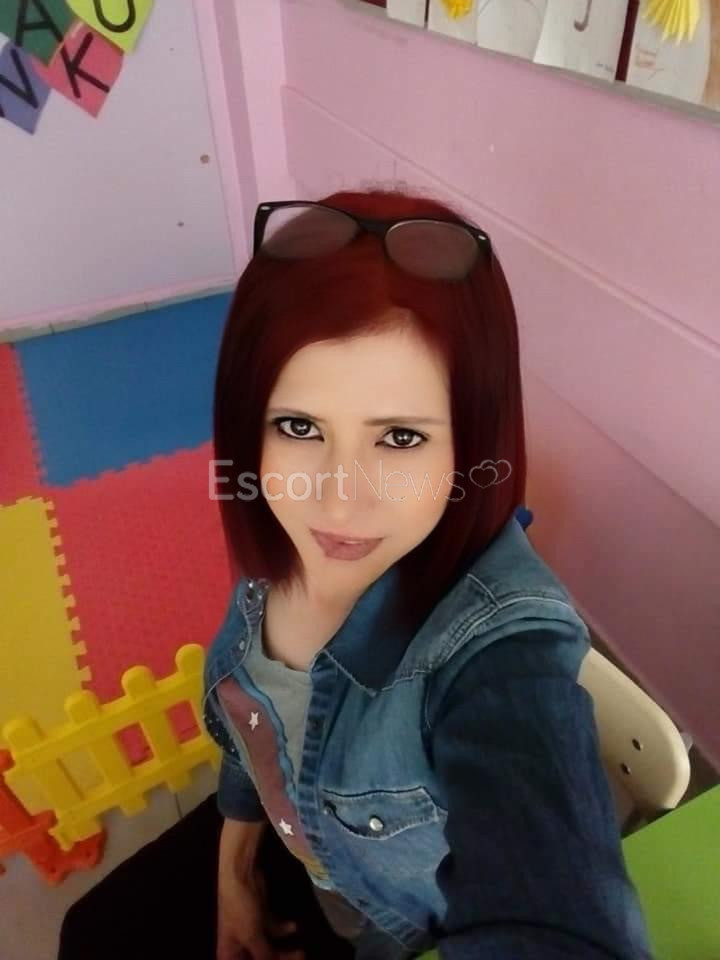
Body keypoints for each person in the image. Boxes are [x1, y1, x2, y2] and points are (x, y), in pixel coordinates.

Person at [59, 187, 652, 960]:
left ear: (472, 443)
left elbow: (553, 912)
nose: (337, 501)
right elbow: (255, 731)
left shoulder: (498, 649)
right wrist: (234, 870)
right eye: (299, 426)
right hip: (304, 865)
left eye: (400, 437)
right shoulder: (278, 556)